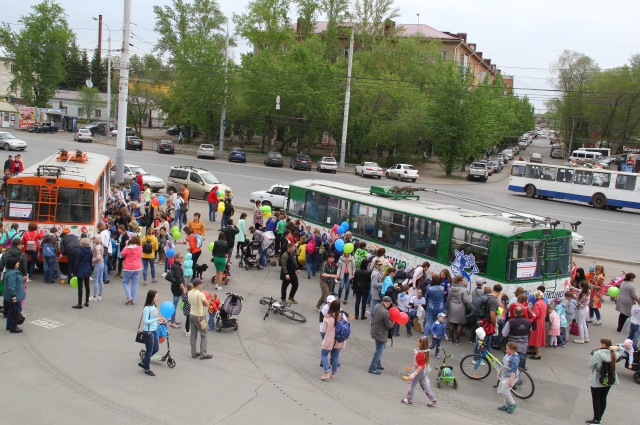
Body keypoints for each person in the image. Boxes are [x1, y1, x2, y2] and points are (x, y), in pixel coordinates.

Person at [587, 339, 623, 424]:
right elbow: (623, 349)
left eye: (600, 344)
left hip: (597, 379)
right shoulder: (614, 354)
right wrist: (617, 347)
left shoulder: (597, 354)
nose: (599, 345)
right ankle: (600, 417)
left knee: (596, 399)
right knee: (603, 398)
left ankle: (596, 419)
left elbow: (590, 365)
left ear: (603, 345)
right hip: (609, 379)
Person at [401, 336, 437, 406]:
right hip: (424, 371)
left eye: (418, 342)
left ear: (421, 344)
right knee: (425, 385)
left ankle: (409, 399)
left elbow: (421, 365)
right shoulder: (424, 352)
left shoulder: (420, 354)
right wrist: (417, 353)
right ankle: (432, 398)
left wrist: (414, 373)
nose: (417, 343)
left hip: (419, 371)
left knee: (412, 384)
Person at [138, 290, 166, 377]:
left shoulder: (154, 306)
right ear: (152, 297)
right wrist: (157, 319)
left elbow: (154, 318)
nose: (157, 297)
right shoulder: (147, 308)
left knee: (156, 348)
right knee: (150, 350)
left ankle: (144, 362)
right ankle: (147, 369)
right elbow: (146, 321)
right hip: (148, 332)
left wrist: (160, 321)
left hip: (154, 330)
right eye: (156, 296)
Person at [320, 299, 347, 380]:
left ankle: (326, 372)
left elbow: (324, 330)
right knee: (335, 356)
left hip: (329, 338)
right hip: (339, 340)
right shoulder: (342, 316)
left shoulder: (327, 317)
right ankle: (333, 374)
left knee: (324, 354)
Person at [368, 296, 395, 374]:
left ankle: (377, 363)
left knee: (380, 348)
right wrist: (393, 322)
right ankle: (372, 367)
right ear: (388, 303)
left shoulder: (377, 306)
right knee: (379, 351)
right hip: (381, 333)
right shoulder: (385, 312)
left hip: (375, 331)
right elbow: (388, 326)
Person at [188, 278, 212, 359]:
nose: (201, 285)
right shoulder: (200, 294)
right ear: (198, 285)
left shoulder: (189, 292)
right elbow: (206, 304)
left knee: (193, 334)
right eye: (201, 284)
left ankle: (193, 352)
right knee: (204, 334)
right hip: (200, 316)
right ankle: (203, 353)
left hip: (191, 314)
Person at [502, 306, 532, 370]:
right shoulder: (528, 322)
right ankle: (517, 377)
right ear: (523, 312)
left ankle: (509, 378)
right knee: (519, 365)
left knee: (508, 364)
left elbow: (504, 334)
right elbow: (530, 330)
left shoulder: (510, 322)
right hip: (523, 346)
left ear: (513, 312)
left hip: (512, 346)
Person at [496, 342, 521, 414]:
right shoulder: (508, 355)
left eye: (507, 349)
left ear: (512, 351)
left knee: (505, 391)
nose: (505, 350)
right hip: (505, 374)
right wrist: (500, 371)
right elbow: (504, 364)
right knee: (504, 390)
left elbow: (514, 371)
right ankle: (507, 405)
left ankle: (512, 404)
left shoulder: (514, 359)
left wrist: (511, 381)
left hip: (510, 377)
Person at [4, 259, 25, 333]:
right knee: (17, 309)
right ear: (13, 264)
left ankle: (9, 325)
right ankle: (14, 327)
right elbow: (11, 285)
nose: (18, 263)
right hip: (15, 295)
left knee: (11, 310)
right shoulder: (12, 274)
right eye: (17, 262)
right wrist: (13, 296)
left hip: (14, 294)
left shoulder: (12, 272)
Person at [121, 235, 143, 305]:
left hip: (128, 268)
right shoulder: (140, 248)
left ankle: (129, 296)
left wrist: (126, 245)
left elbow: (122, 254)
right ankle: (133, 299)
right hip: (137, 267)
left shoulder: (127, 248)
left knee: (125, 282)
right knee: (135, 284)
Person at [446, 275, 469, 344]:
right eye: (463, 281)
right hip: (460, 308)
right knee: (460, 324)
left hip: (452, 307)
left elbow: (448, 299)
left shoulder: (451, 288)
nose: (464, 282)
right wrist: (468, 305)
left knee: (451, 323)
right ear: (459, 282)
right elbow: (465, 300)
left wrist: (448, 306)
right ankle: (457, 340)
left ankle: (451, 338)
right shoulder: (463, 290)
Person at [72, 238, 93, 309]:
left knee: (80, 287)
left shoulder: (79, 251)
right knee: (87, 286)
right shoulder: (90, 251)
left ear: (82, 243)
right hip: (87, 269)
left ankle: (79, 303)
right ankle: (87, 301)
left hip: (81, 270)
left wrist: (73, 271)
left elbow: (77, 263)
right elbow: (90, 262)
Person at [528, 290, 547, 359]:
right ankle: (534, 350)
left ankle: (538, 354)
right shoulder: (544, 303)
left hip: (536, 322)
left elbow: (535, 314)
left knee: (536, 337)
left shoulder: (537, 304)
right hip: (542, 321)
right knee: (538, 336)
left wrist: (530, 318)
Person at [169, 253, 185, 329]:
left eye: (182, 258)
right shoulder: (177, 267)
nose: (181, 260)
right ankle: (172, 322)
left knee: (175, 304)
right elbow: (179, 278)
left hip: (175, 287)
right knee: (174, 305)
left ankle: (173, 319)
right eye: (180, 258)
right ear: (176, 259)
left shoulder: (175, 265)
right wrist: (183, 287)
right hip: (177, 288)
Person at [89, 235, 104, 302]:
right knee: (100, 280)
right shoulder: (101, 246)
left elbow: (98, 257)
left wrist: (92, 261)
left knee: (95, 280)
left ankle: (94, 296)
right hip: (102, 263)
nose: (93, 240)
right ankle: (100, 295)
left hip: (98, 264)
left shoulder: (96, 247)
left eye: (94, 239)